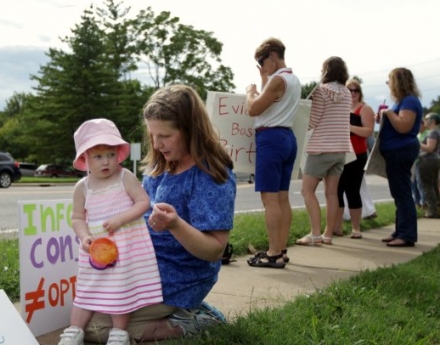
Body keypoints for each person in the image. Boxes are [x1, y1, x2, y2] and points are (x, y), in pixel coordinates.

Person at [79, 85, 236, 344]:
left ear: (190, 129)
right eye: (152, 134)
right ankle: (177, 313)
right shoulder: (160, 166)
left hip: (179, 275)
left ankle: (190, 320)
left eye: (164, 135)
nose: (156, 143)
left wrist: (175, 224)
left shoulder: (211, 175)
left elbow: (214, 251)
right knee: (80, 309)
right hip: (143, 266)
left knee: (93, 328)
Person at [58, 119, 163, 345]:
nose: (106, 161)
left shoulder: (125, 177)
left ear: (119, 154)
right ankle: (74, 329)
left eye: (111, 154)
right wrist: (84, 236)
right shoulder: (83, 187)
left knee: (120, 289)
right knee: (86, 288)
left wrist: (120, 219)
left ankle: (119, 332)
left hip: (125, 246)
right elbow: (77, 217)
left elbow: (143, 202)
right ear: (85, 158)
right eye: (98, 156)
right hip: (96, 249)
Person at [244, 37, 301, 268]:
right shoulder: (292, 78)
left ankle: (274, 252)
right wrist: (264, 80)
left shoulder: (278, 79)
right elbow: (275, 97)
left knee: (269, 199)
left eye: (262, 60)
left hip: (271, 138)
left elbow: (253, 108)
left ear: (273, 55)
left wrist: (251, 91)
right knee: (282, 197)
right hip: (287, 137)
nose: (261, 66)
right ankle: (282, 248)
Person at [296, 56, 352, 246]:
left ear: (325, 71)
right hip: (341, 149)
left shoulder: (320, 91)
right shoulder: (347, 93)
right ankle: (328, 235)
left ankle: (315, 234)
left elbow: (313, 122)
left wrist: (305, 109)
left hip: (320, 147)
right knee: (332, 194)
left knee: (307, 190)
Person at [378, 67, 423, 247]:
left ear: (397, 82)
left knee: (403, 193)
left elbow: (404, 126)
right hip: (396, 150)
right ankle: (400, 230)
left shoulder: (409, 101)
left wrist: (389, 113)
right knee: (399, 192)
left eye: (390, 81)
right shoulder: (404, 101)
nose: (389, 85)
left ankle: (406, 234)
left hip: (401, 150)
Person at [332, 79, 374, 239]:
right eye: (350, 90)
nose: (353, 93)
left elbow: (368, 131)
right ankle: (337, 226)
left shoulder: (365, 108)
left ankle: (356, 228)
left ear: (360, 92)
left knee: (352, 190)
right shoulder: (340, 108)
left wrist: (349, 127)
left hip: (357, 155)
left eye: (356, 90)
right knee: (336, 191)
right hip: (340, 153)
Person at [418, 113, 440, 218]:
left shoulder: (432, 133)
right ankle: (436, 208)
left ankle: (432, 211)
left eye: (426, 119)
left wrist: (416, 143)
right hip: (434, 160)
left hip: (428, 160)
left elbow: (430, 148)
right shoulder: (437, 132)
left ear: (432, 120)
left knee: (427, 186)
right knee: (433, 185)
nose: (424, 121)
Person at [412, 118, 429, 208]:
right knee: (413, 184)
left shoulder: (428, 134)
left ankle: (424, 202)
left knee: (421, 183)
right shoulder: (417, 135)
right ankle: (417, 201)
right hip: (415, 161)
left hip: (423, 161)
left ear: (423, 125)